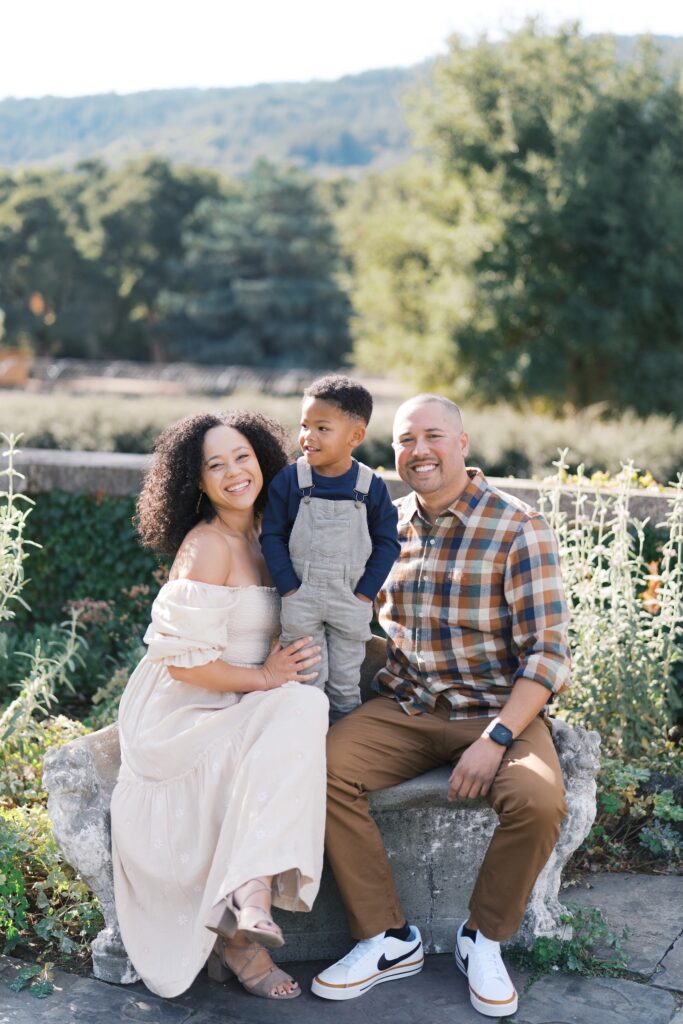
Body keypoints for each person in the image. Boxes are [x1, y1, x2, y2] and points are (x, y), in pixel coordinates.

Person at [312, 395, 571, 1018]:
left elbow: (548, 654)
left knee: (539, 801)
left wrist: (498, 738)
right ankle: (386, 938)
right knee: (320, 768)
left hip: (497, 712)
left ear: (463, 443)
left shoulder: (517, 527)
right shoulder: (385, 523)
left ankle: (482, 939)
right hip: (406, 707)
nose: (418, 451)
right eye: (404, 441)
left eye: (433, 436)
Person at [111, 411, 329, 1002]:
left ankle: (248, 900)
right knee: (298, 706)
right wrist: (263, 676)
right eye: (215, 465)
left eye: (242, 457)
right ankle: (246, 921)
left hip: (242, 698)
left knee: (304, 708)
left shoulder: (272, 529)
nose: (234, 472)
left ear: (263, 459)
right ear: (196, 483)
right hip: (183, 710)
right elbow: (181, 663)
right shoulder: (206, 545)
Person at [260, 374, 400, 721]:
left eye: (323, 428)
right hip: (301, 596)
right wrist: (290, 589)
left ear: (355, 436)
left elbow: (387, 543)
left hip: (349, 598)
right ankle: (303, 743)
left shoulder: (370, 487)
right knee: (306, 680)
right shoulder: (291, 481)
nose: (308, 436)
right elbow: (272, 536)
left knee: (345, 684)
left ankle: (338, 752)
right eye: (304, 425)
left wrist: (365, 594)